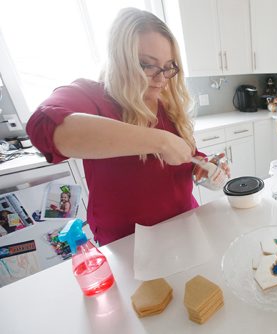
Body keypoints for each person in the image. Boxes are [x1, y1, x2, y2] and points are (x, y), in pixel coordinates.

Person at [26, 8, 228, 245]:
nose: (161, 78)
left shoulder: (167, 104)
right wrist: (159, 140)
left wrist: (202, 165)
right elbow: (43, 127)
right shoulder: (92, 96)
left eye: (169, 66)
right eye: (147, 65)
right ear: (120, 60)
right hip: (127, 243)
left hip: (183, 224)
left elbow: (182, 155)